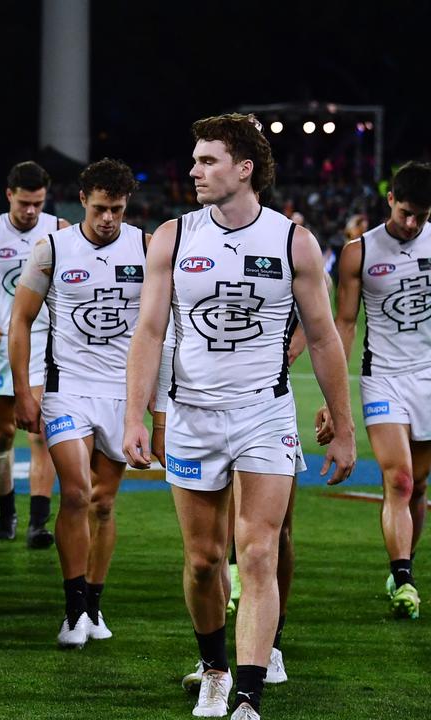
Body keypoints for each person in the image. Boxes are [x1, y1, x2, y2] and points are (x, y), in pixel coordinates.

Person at [123, 113, 355, 720]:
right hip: (192, 415)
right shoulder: (172, 237)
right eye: (195, 160)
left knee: (257, 551)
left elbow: (325, 338)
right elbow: (148, 331)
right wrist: (135, 416)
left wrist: (342, 425)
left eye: (207, 161)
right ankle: (215, 669)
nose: (193, 171)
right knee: (203, 561)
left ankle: (248, 693)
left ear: (244, 168)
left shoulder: (292, 241)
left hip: (264, 414)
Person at [11, 158, 145, 648]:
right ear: (83, 200)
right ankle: (71, 610)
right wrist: (24, 390)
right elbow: (21, 319)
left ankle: (93, 602)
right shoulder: (53, 249)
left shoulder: (146, 248)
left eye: (117, 209)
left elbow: (158, 330)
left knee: (105, 504)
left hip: (122, 395)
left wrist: (155, 405)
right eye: (100, 208)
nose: (108, 218)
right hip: (67, 388)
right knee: (76, 493)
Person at [330, 160, 431, 620]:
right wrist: (337, 397)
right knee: (400, 479)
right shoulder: (360, 252)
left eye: (422, 216)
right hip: (384, 376)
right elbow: (345, 324)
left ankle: (402, 565)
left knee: (419, 488)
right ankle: (404, 577)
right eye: (407, 212)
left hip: (429, 376)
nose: (412, 223)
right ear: (390, 200)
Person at [0, 162, 62, 546]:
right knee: (2, 436)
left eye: (37, 203)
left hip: (46, 347)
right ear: (9, 196)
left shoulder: (59, 231)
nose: (31, 211)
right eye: (24, 203)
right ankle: (7, 513)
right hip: (3, 349)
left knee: (41, 434)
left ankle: (39, 522)